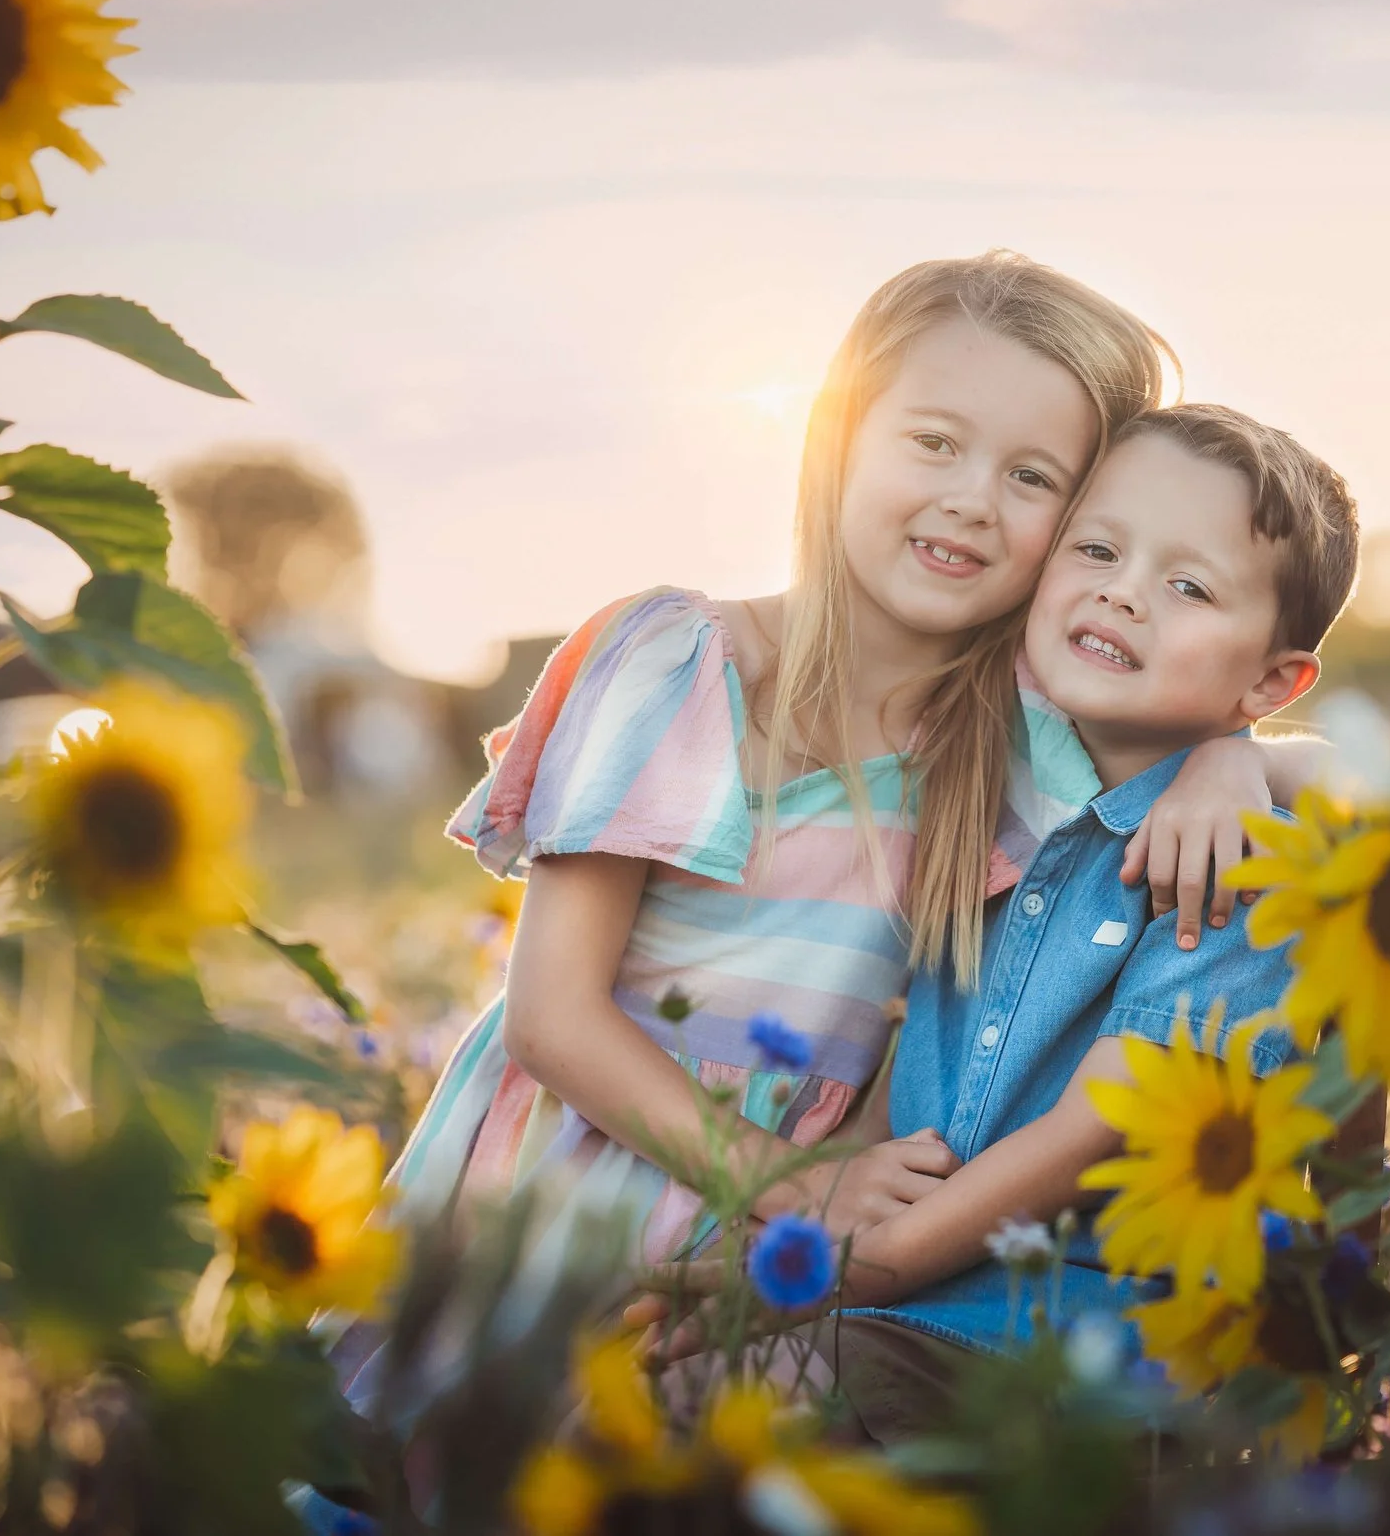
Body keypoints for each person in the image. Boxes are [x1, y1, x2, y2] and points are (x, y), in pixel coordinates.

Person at [325, 258, 1294, 1421]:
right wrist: (782, 1181)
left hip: (798, 1236)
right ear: (836, 437)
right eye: (933, 442)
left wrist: (1233, 756)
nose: (972, 499)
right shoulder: (679, 662)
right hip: (576, 1178)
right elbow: (553, 1013)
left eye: (1032, 476)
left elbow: (1280, 752)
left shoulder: (1017, 738)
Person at [659, 402, 1361, 1440]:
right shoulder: (993, 780)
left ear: (1270, 680)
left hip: (1066, 1347)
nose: (1122, 590)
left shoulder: (1234, 869)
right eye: (1095, 548)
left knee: (728, 1415)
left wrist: (792, 1274)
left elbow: (1097, 1131)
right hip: (901, 1303)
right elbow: (905, 1069)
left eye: (1187, 585)